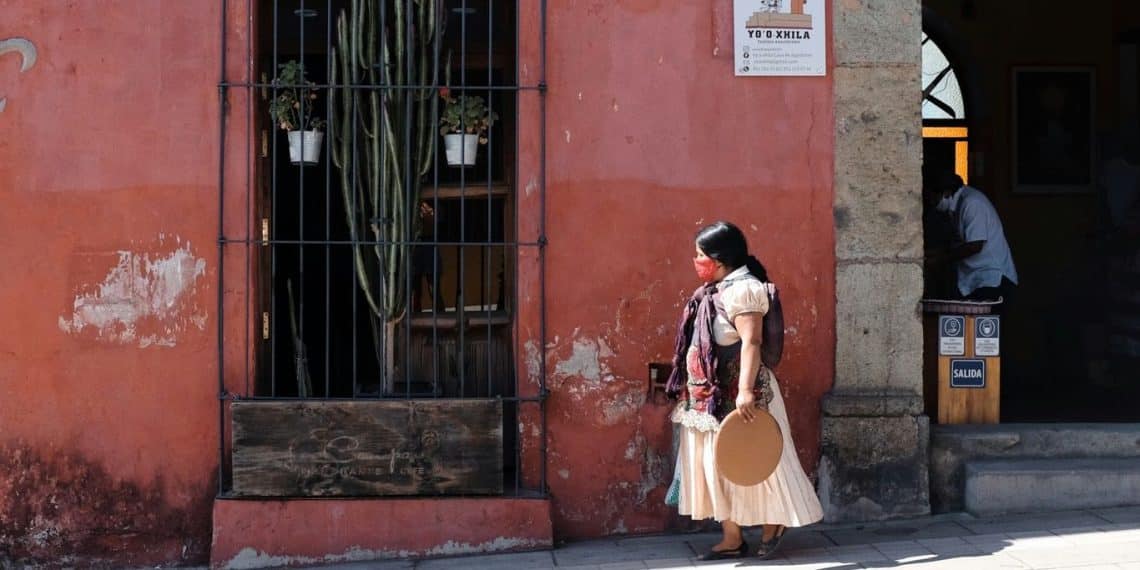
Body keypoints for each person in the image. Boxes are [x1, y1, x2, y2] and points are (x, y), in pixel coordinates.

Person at [665, 221, 823, 560]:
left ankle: (773, 523)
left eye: (700, 255)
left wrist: (745, 392)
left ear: (719, 259)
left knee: (758, 462)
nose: (696, 260)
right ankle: (732, 536)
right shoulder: (715, 290)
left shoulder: (745, 290)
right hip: (708, 398)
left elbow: (751, 341)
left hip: (744, 397)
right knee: (716, 463)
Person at [924, 172, 1019, 309]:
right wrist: (929, 254)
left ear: (946, 192)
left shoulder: (972, 203)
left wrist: (940, 259)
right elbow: (957, 245)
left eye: (933, 198)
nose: (932, 203)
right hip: (976, 280)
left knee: (987, 328)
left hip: (991, 280)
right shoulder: (956, 207)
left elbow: (975, 246)